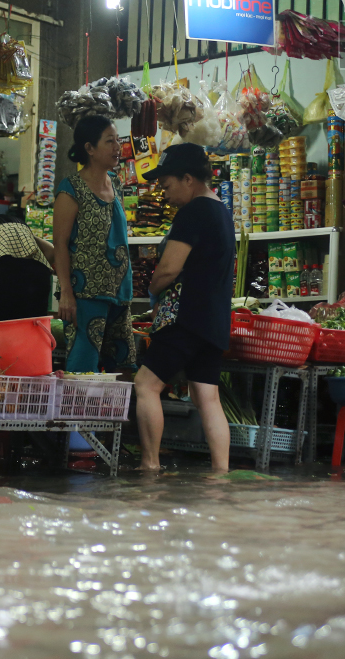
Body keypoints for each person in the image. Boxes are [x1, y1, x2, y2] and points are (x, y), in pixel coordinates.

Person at [133, 144, 235, 473]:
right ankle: (221, 474)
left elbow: (168, 269)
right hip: (214, 321)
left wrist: (153, 289)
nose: (164, 194)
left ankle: (150, 466)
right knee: (207, 397)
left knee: (146, 385)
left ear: (188, 178)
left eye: (167, 185)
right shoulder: (220, 210)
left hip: (185, 318)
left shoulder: (193, 212)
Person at [52, 115, 135, 373]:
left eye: (118, 140)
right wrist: (66, 292)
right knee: (82, 369)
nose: (117, 147)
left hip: (120, 293)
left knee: (122, 368)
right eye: (109, 141)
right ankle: (75, 415)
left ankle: (114, 415)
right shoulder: (71, 189)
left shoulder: (116, 182)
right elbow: (60, 244)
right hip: (86, 294)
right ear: (89, 148)